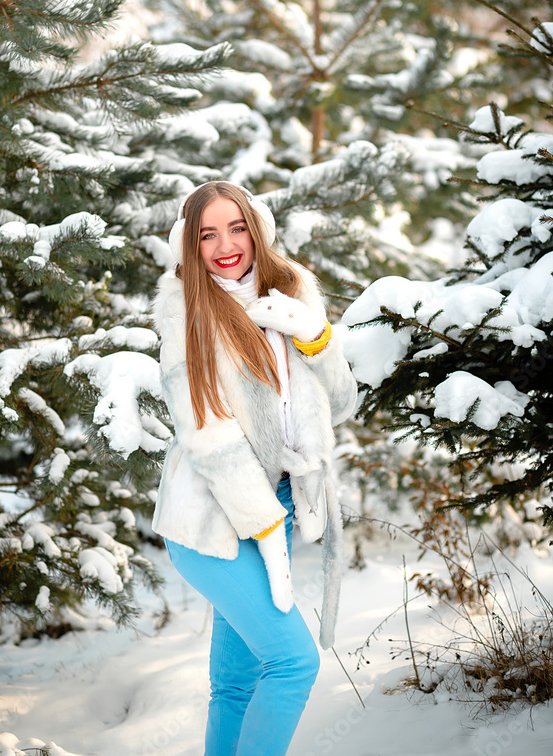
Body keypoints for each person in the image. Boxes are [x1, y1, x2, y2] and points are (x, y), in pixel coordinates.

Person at [152, 180, 358, 756]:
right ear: (189, 246)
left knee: (237, 685)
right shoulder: (186, 310)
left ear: (257, 228)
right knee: (293, 663)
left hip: (281, 505)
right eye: (207, 234)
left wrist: (315, 336)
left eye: (236, 227)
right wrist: (265, 525)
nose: (225, 245)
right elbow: (207, 433)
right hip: (213, 520)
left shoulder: (292, 290)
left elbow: (341, 404)